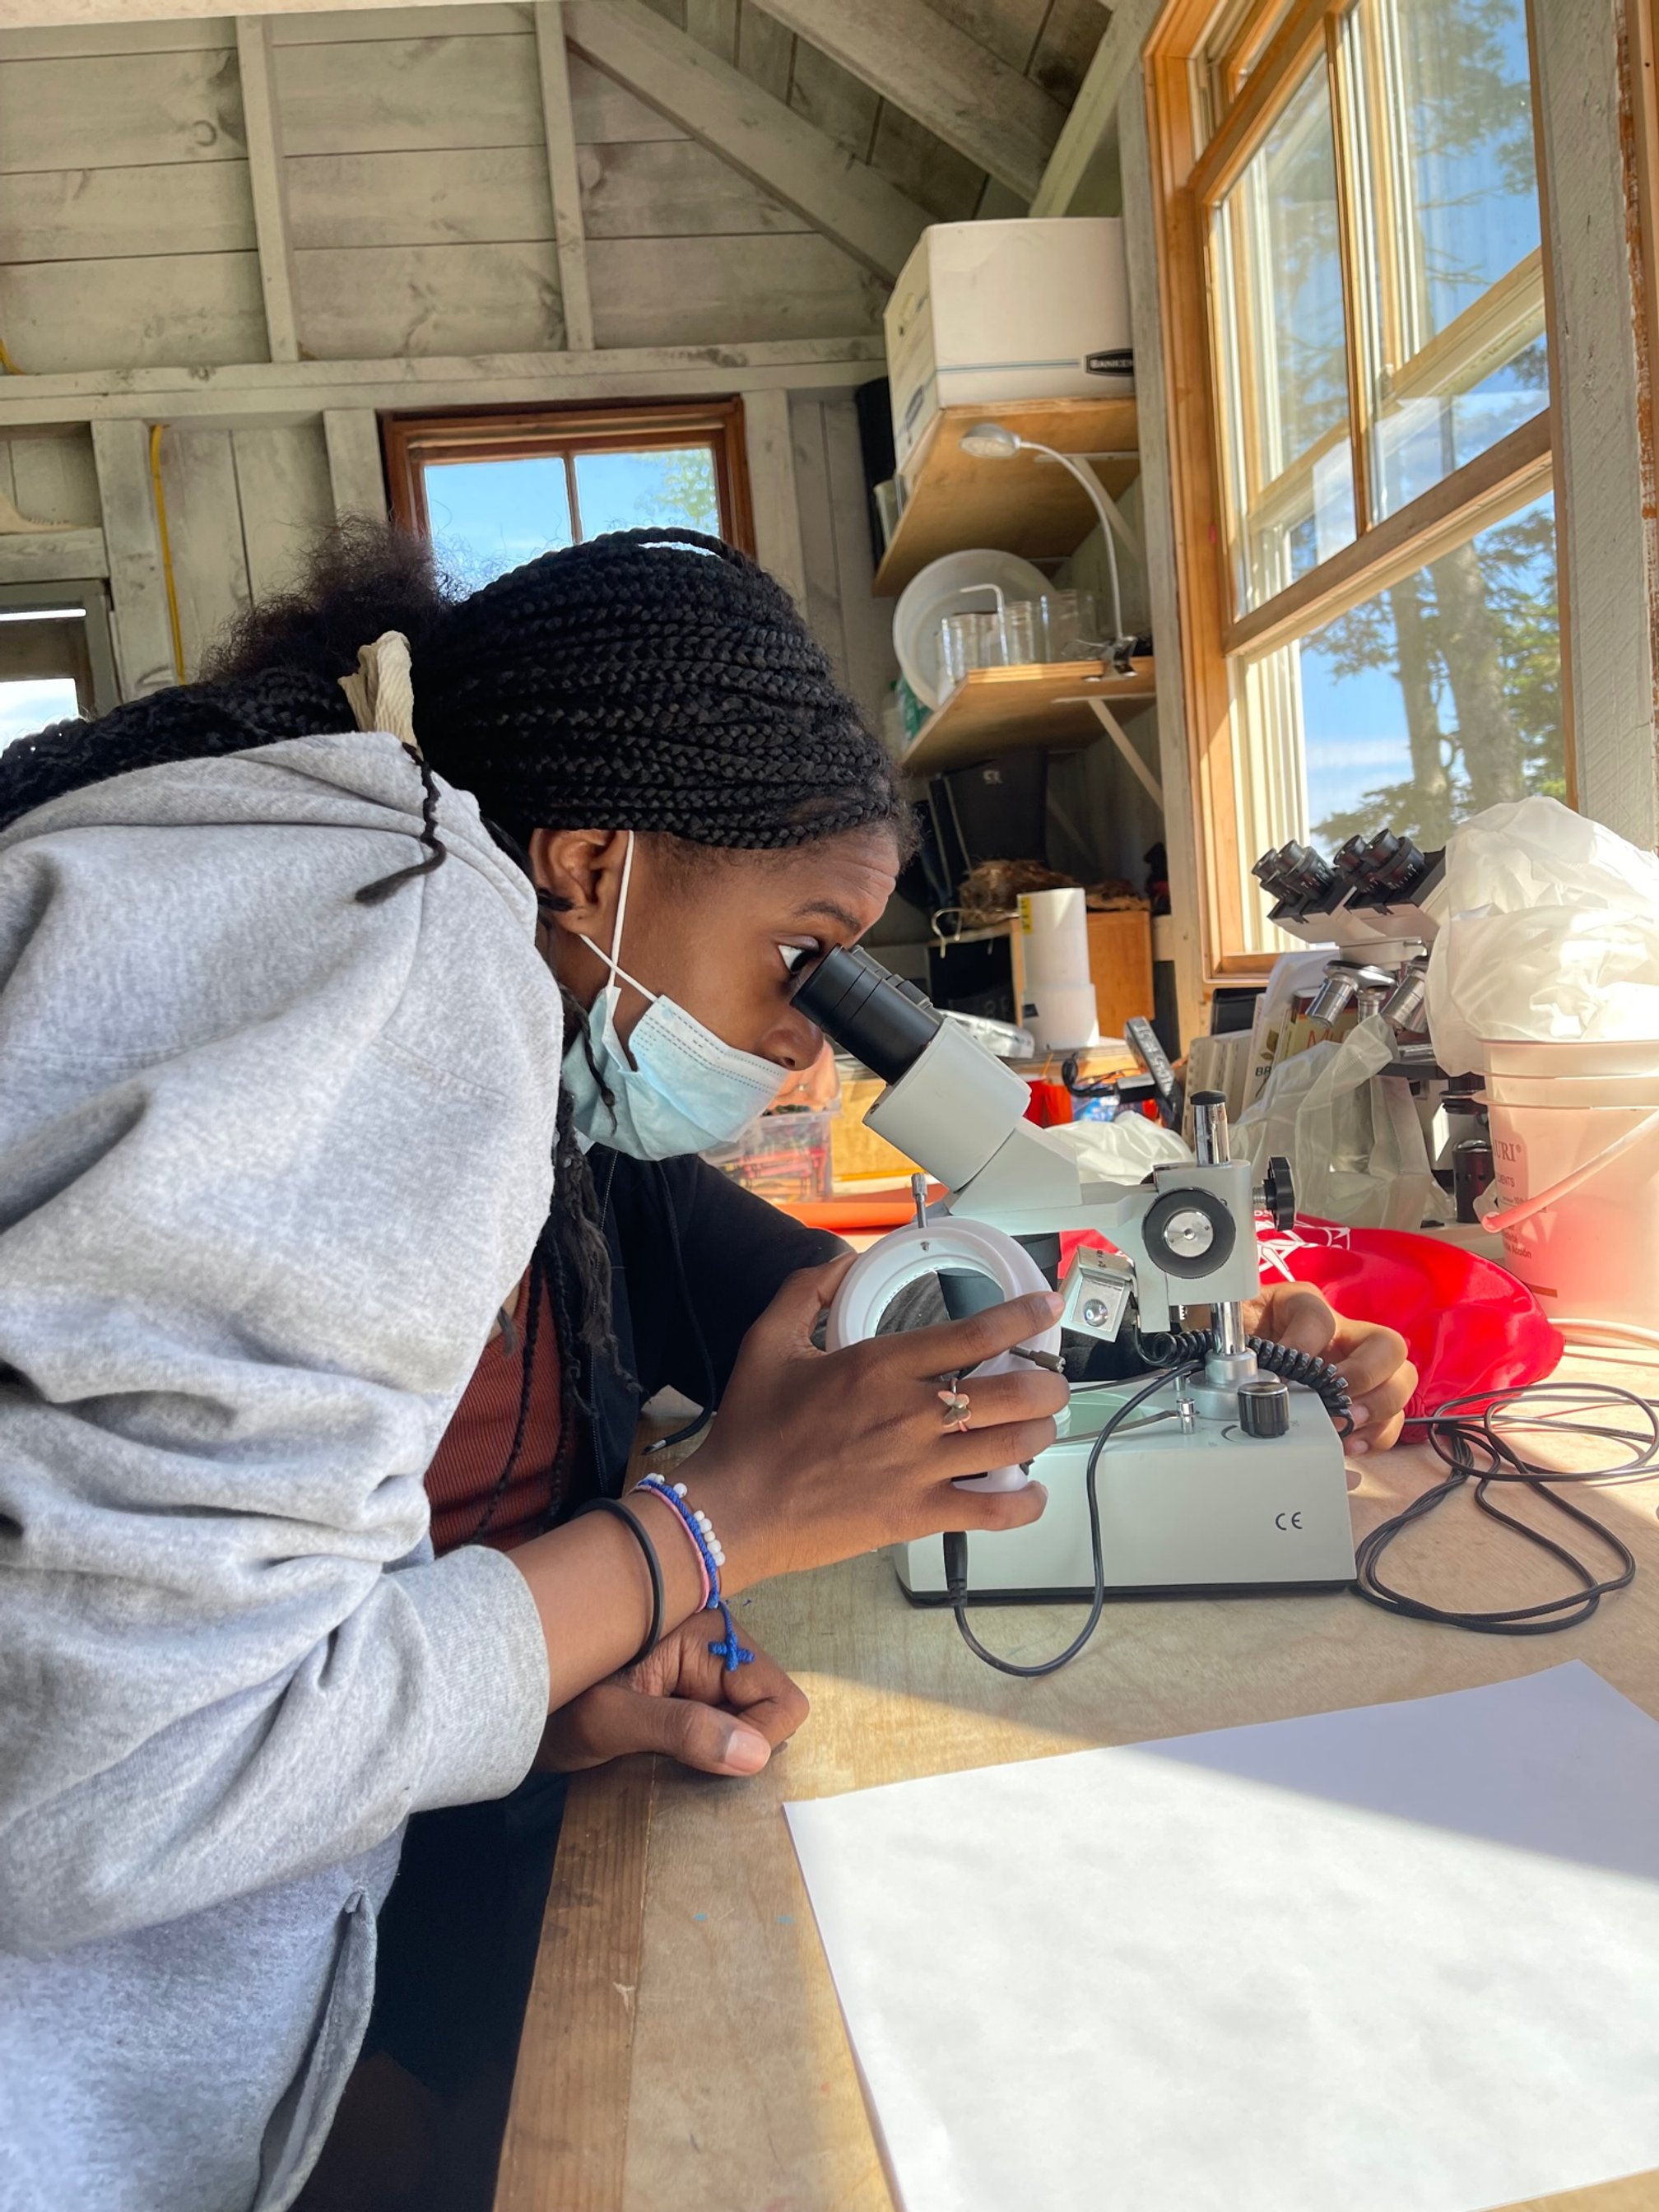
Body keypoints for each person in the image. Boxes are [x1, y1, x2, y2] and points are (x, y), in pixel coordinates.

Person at [0, 526, 1415, 2212]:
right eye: (802, 954)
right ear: (594, 865)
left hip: (261, 1987)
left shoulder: (515, 1051)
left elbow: (807, 1314)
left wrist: (533, 1710)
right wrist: (700, 1530)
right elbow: (110, 1782)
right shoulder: (398, 955)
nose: (812, 1039)